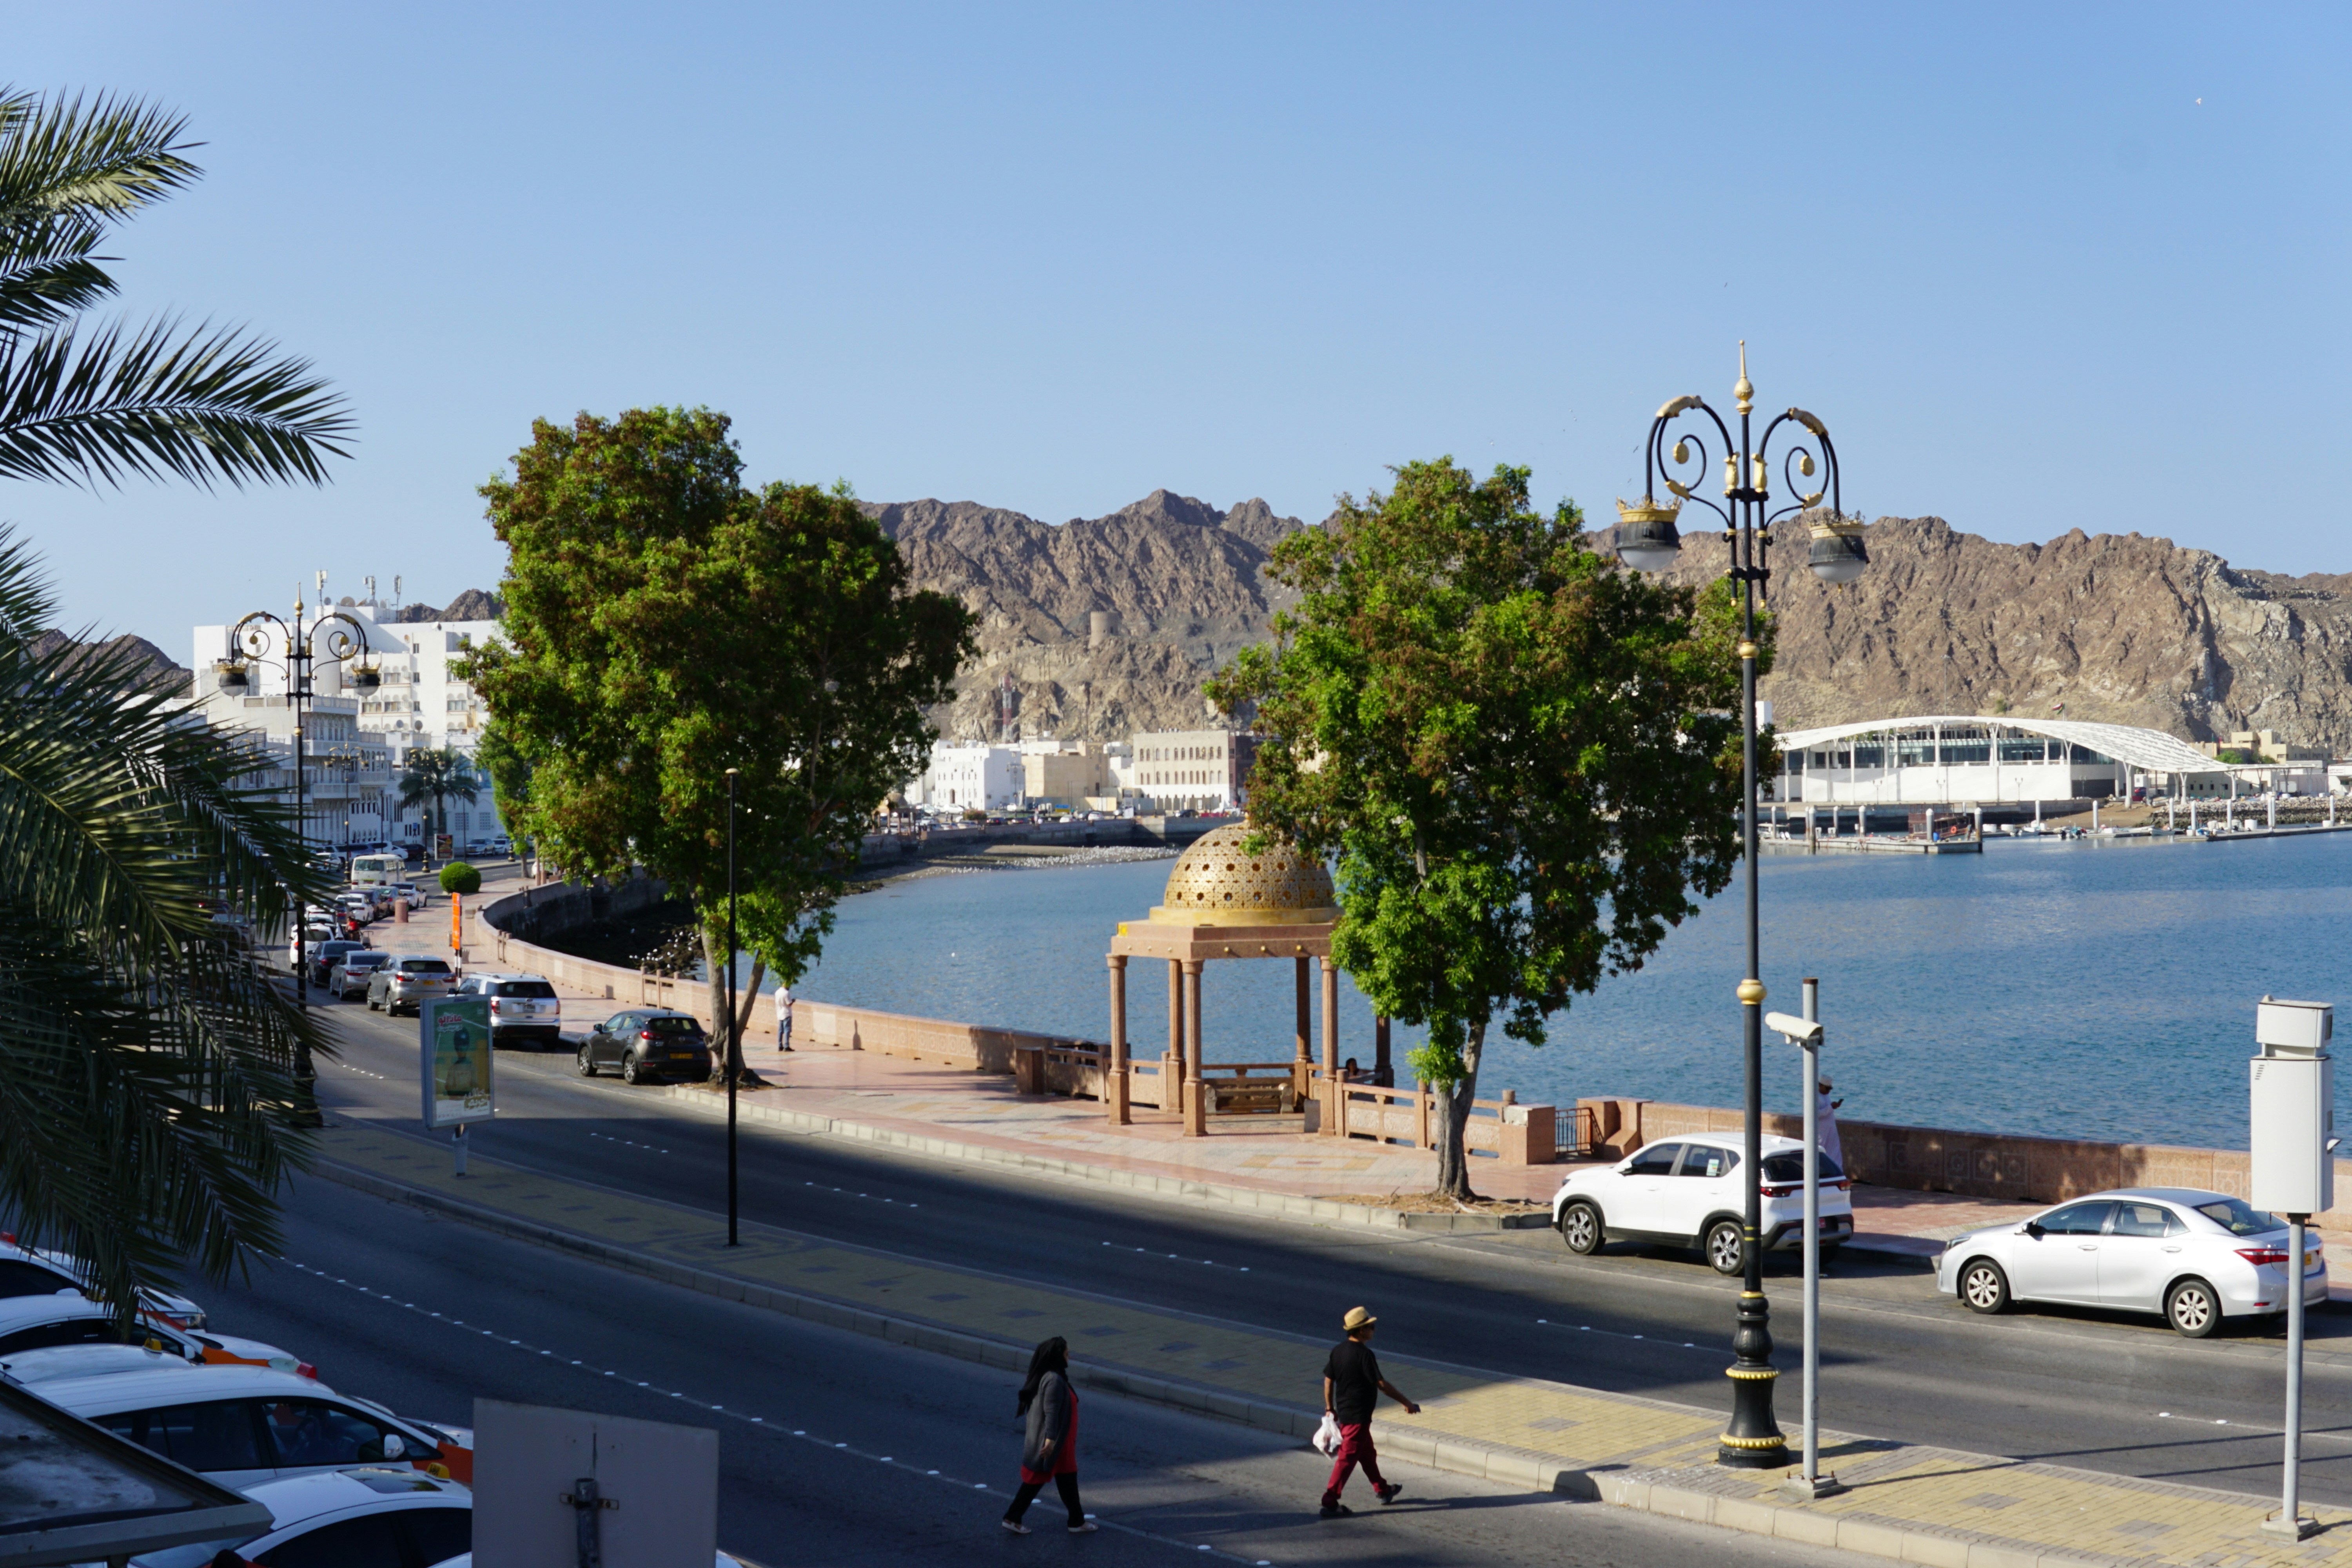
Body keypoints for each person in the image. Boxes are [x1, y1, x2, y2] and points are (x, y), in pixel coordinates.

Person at [1319, 1305, 1418, 1517]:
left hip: (1349, 1414)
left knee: (1367, 1454)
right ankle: (1330, 1501)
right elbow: (1381, 1384)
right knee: (1347, 1459)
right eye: (1371, 1327)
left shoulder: (1338, 1351)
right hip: (1357, 1417)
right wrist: (1406, 1402)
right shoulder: (1365, 1355)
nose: (1374, 1330)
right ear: (1362, 1330)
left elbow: (1328, 1381)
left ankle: (1382, 1490)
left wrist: (1330, 1408)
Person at [1004, 1337, 1094, 1535]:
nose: (1069, 1357)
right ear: (1057, 1356)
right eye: (1067, 1354)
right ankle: (1013, 1517)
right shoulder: (1054, 1380)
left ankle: (1076, 1521)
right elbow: (1051, 1413)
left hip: (1061, 1440)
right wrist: (1051, 1441)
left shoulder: (1054, 1376)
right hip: (1057, 1441)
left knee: (1066, 1479)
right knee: (1041, 1479)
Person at [1817, 1076, 1845, 1171]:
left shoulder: (1826, 1096)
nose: (1829, 1091)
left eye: (1830, 1089)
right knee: (1820, 1152)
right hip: (1821, 1133)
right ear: (1820, 1085)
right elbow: (1815, 1114)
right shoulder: (1815, 1097)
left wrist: (1834, 1107)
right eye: (1827, 1089)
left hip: (1831, 1130)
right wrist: (1830, 1108)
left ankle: (1838, 1173)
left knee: (1835, 1152)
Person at [776, 985, 794, 1052]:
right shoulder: (786, 993)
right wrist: (793, 1001)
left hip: (780, 1014)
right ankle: (786, 1046)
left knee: (780, 1031)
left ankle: (780, 1046)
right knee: (787, 1030)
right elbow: (789, 1004)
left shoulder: (777, 992)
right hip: (786, 1014)